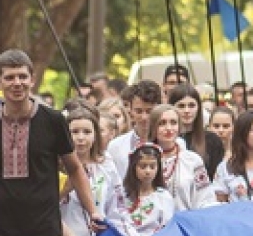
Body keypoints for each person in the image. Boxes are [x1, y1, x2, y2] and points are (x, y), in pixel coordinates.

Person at [0, 49, 104, 236]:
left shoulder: (53, 120)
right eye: (10, 77)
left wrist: (93, 211)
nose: (17, 83)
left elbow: (74, 168)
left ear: (32, 80)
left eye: (22, 76)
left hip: (43, 226)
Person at [60, 107, 120, 236]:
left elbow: (116, 207)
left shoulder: (106, 165)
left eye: (87, 132)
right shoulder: (56, 168)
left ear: (95, 135)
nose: (81, 137)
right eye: (75, 132)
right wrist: (67, 188)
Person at [146, 105, 214, 210]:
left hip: (185, 221)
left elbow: (205, 198)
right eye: (162, 123)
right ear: (153, 127)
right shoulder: (143, 159)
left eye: (173, 123)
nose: (169, 128)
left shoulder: (192, 160)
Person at [107, 144, 174, 236]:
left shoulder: (164, 196)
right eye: (143, 166)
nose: (148, 171)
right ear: (133, 167)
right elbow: (117, 221)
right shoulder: (122, 195)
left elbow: (167, 227)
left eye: (152, 166)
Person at [167, 85, 224, 182]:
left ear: (198, 108)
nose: (187, 111)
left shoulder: (212, 140)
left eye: (191, 105)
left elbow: (217, 178)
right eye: (181, 106)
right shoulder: (166, 140)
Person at [107, 81, 162, 176]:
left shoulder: (172, 144)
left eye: (149, 111)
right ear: (131, 110)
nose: (144, 117)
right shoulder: (116, 146)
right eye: (139, 111)